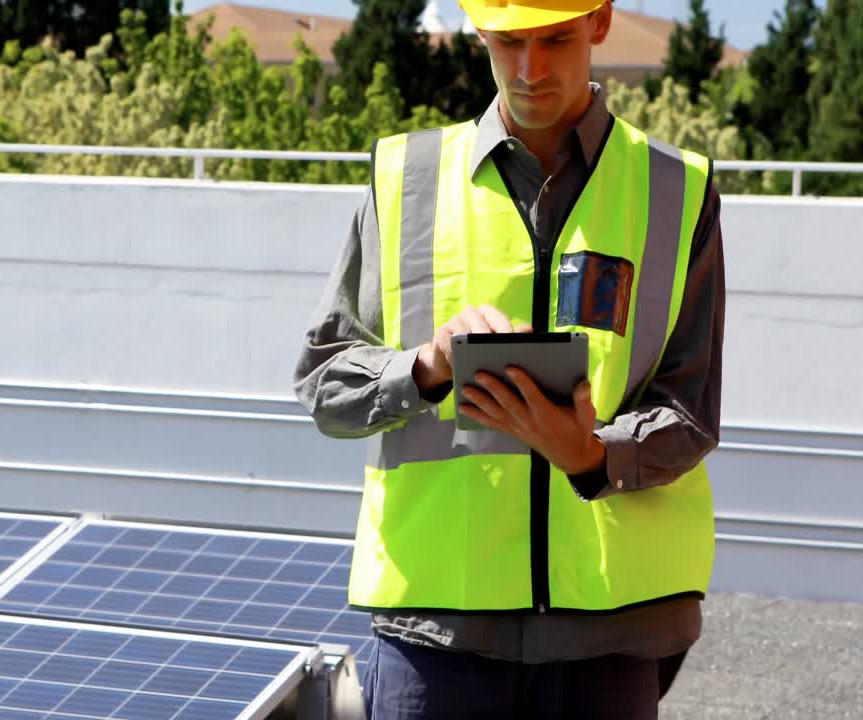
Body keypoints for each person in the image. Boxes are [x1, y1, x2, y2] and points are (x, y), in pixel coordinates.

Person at [292, 0, 725, 717]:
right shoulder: (406, 178)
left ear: (600, 22)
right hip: (436, 625)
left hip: (610, 629)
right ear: (479, 31)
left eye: (554, 39)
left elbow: (692, 407)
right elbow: (324, 383)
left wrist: (592, 455)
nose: (530, 69)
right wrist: (425, 368)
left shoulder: (675, 190)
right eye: (509, 41)